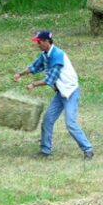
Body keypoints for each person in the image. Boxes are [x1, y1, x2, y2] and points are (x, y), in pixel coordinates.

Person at [13, 30, 94, 160]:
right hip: (60, 93)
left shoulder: (57, 55)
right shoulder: (45, 54)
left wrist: (33, 84)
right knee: (47, 120)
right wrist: (20, 74)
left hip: (70, 92)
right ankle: (45, 151)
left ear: (46, 42)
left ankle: (88, 149)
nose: (37, 44)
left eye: (39, 42)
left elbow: (50, 79)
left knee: (70, 123)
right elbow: (34, 67)